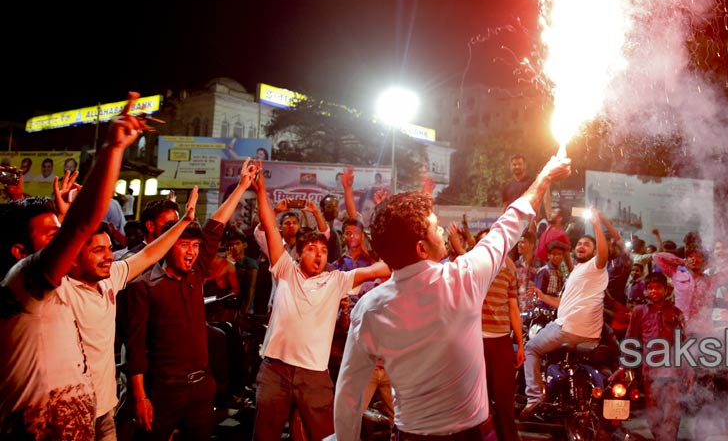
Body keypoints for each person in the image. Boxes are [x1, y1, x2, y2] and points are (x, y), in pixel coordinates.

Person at [330, 154, 570, 440]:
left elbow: (348, 395)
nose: (442, 230)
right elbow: (510, 223)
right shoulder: (461, 280)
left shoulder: (370, 309)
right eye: (435, 226)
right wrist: (544, 177)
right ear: (421, 248)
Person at [0, 91, 144, 440]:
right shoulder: (24, 285)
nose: (70, 242)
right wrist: (112, 150)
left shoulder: (60, 285)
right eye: (54, 235)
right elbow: (81, 227)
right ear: (20, 252)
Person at [250, 161, 390, 441]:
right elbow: (268, 226)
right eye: (311, 249)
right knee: (264, 436)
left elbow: (380, 269)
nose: (318, 254)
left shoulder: (336, 280)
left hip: (314, 376)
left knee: (325, 437)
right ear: (298, 253)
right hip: (275, 370)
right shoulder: (285, 270)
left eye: (323, 250)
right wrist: (261, 190)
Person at [122, 158, 257, 441]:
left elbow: (215, 226)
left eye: (195, 247)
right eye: (184, 245)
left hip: (201, 388)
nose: (191, 253)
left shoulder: (195, 274)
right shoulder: (143, 286)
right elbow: (134, 351)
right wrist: (139, 397)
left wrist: (243, 185)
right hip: (164, 390)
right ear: (168, 245)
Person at [62, 187, 199, 440]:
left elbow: (150, 253)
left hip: (105, 406)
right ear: (72, 257)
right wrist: (67, 216)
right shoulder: (60, 290)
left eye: (108, 248)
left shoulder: (111, 276)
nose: (108, 256)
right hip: (67, 411)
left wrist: (187, 221)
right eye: (97, 250)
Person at [521, 208, 609, 419]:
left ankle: (534, 397)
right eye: (579, 243)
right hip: (589, 333)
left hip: (570, 328)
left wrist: (596, 223)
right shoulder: (576, 272)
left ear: (595, 250)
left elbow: (604, 254)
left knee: (530, 349)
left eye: (587, 244)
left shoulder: (596, 266)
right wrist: (542, 296)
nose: (581, 246)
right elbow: (562, 303)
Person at [621, 271, 685, 441]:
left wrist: (688, 370)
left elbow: (683, 342)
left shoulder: (676, 313)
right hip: (650, 370)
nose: (653, 291)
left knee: (672, 410)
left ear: (666, 290)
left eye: (658, 288)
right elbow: (630, 340)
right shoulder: (639, 312)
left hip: (673, 370)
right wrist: (625, 367)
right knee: (654, 411)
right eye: (650, 288)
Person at [480, 255, 524, 441]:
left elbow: (514, 309)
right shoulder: (475, 274)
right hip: (477, 342)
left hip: (502, 342)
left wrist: (521, 344)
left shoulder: (508, 274)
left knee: (505, 400)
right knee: (480, 401)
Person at [533, 239, 568, 310]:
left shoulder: (559, 272)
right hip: (545, 310)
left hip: (555, 308)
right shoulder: (544, 271)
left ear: (563, 256)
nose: (557, 256)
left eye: (560, 254)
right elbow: (539, 294)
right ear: (549, 255)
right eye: (554, 254)